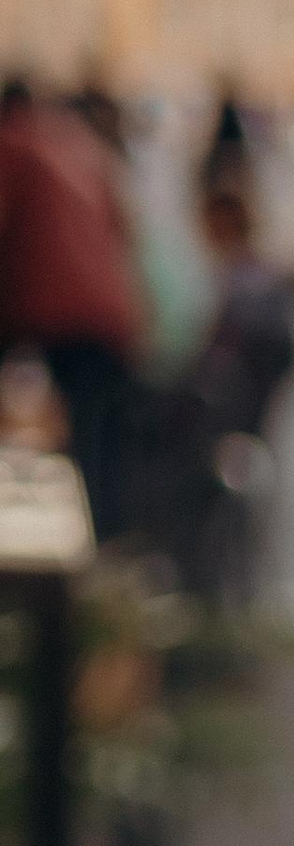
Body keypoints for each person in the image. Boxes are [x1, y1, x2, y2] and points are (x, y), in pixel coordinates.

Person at [0, 74, 144, 535]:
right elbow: (123, 227)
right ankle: (103, 537)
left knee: (83, 433)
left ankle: (77, 540)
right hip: (112, 310)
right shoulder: (79, 142)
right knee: (98, 435)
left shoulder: (14, 144)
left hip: (54, 310)